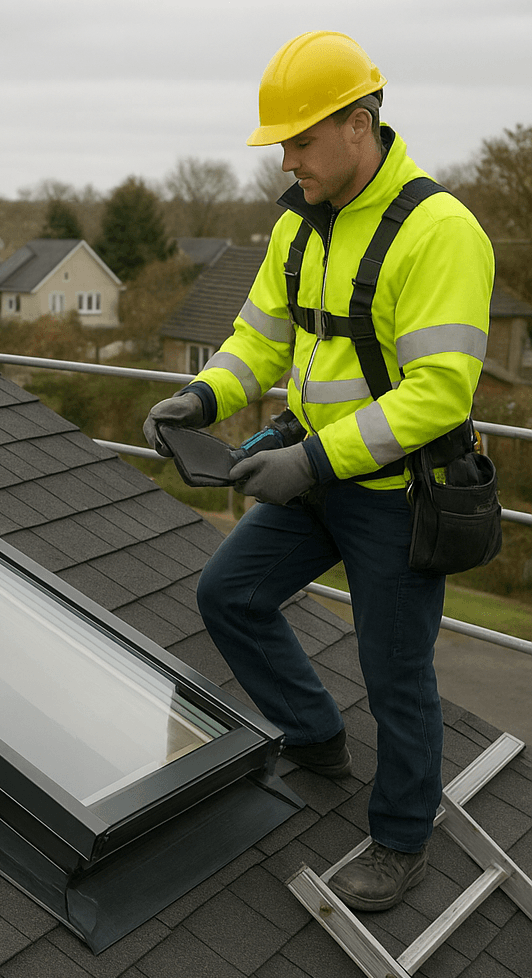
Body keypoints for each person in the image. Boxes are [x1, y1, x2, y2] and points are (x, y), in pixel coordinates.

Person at [143, 31, 493, 911]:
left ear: (359, 125)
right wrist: (202, 397)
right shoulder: (300, 221)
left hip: (394, 495)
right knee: (229, 594)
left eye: (299, 141)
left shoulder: (440, 232)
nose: (287, 160)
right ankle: (314, 735)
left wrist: (313, 460)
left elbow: (439, 395)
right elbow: (261, 336)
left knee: (394, 671)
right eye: (283, 145)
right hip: (313, 475)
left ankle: (403, 838)